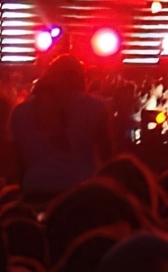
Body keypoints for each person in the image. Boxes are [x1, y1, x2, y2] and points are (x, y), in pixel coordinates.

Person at [8, 56, 113, 201]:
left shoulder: (20, 112)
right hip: (81, 190)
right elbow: (107, 157)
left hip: (35, 188)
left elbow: (17, 161)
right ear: (80, 79)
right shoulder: (96, 108)